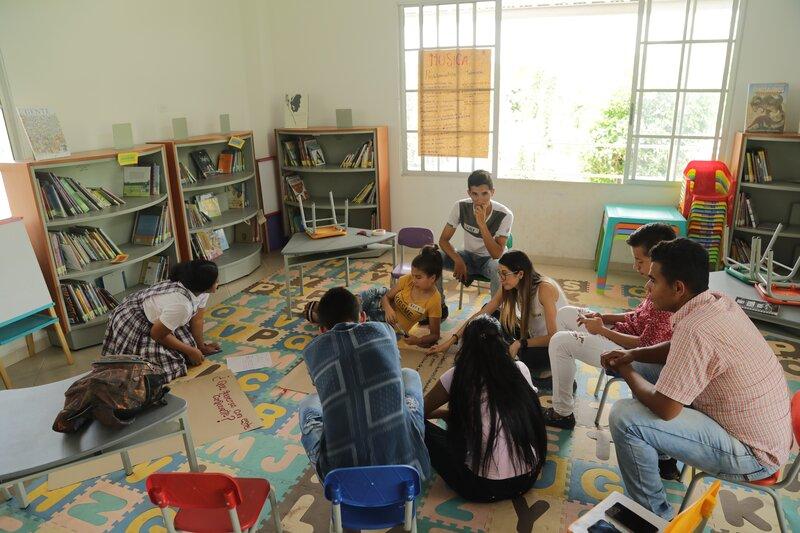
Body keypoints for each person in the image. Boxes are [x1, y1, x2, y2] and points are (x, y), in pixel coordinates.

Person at [603, 238, 792, 520]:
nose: (647, 287)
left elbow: (666, 409)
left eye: (653, 280)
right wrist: (633, 355)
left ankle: (652, 517)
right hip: (760, 430)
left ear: (678, 288)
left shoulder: (696, 329)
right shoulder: (716, 302)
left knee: (624, 418)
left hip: (753, 453)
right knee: (642, 367)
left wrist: (625, 369)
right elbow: (677, 347)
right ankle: (662, 457)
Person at [544, 223, 675, 430]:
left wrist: (602, 330)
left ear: (658, 257)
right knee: (566, 313)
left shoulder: (667, 295)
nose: (635, 267)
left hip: (628, 354)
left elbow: (645, 346)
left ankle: (562, 413)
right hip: (619, 334)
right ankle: (565, 379)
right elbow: (637, 314)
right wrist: (603, 316)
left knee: (560, 342)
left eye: (639, 261)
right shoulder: (657, 282)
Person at [297, 287, 431, 480]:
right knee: (409, 375)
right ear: (362, 317)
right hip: (405, 471)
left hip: (342, 482)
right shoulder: (385, 332)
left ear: (322, 330)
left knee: (308, 404)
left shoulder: (313, 352)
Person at [424, 315, 547, 502]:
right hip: (529, 477)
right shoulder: (520, 368)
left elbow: (420, 410)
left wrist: (444, 414)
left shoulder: (457, 375)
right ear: (501, 341)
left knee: (416, 425)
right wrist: (448, 414)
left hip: (483, 487)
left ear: (466, 347)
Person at [426, 250, 567, 373]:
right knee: (486, 319)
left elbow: (553, 337)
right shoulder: (510, 285)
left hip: (553, 346)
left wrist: (521, 343)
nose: (501, 279)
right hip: (529, 337)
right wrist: (451, 341)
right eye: (499, 273)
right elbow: (482, 313)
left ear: (520, 274)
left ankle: (522, 364)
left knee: (524, 357)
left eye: (504, 274)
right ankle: (506, 355)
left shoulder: (544, 289)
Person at [101, 259, 221, 381]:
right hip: (133, 320)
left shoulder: (198, 290)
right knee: (167, 367)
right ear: (204, 285)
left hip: (159, 318)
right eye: (216, 281)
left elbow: (197, 320)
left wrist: (201, 347)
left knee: (189, 348)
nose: (218, 283)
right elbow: (157, 334)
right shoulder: (182, 306)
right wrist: (191, 351)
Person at [303, 245, 443, 347]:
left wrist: (417, 341)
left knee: (355, 328)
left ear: (432, 278)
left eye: (418, 277)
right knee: (352, 303)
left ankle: (322, 316)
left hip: (388, 326)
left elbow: (435, 335)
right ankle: (323, 309)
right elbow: (386, 297)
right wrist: (388, 309)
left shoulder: (434, 300)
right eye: (412, 275)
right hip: (378, 300)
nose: (413, 280)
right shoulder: (408, 280)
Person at [438, 169, 513, 315]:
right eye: (475, 194)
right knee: (433, 257)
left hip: (490, 261)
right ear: (469, 193)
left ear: (492, 192)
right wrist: (458, 260)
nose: (480, 199)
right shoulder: (460, 206)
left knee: (500, 268)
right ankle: (439, 307)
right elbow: (443, 240)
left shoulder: (505, 214)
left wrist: (482, 224)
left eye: (485, 193)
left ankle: (496, 313)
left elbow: (497, 254)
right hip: (467, 257)